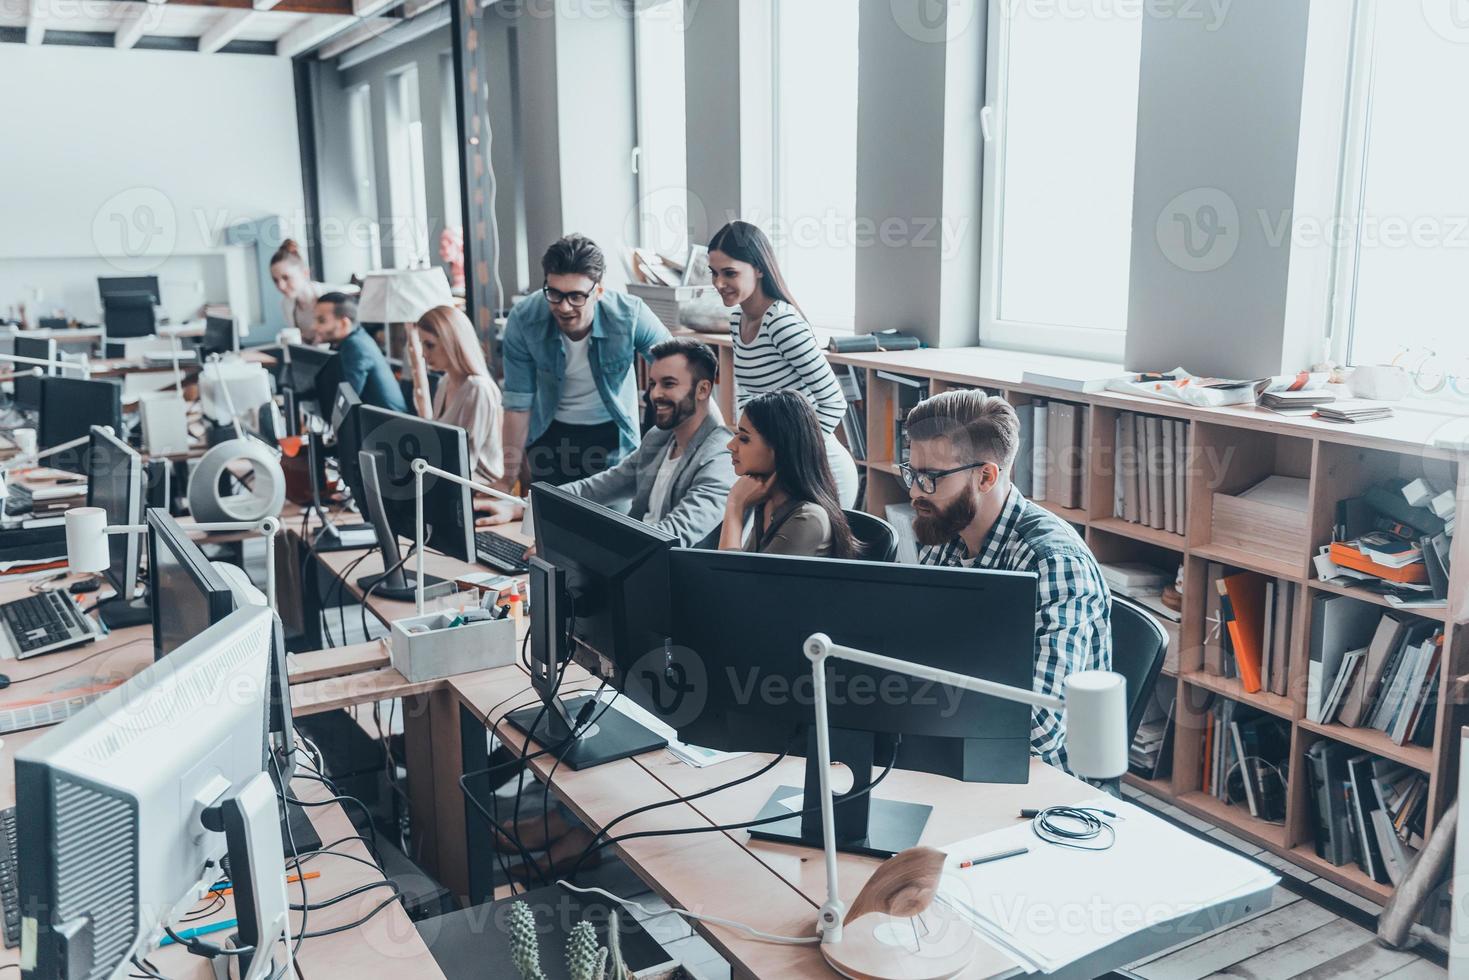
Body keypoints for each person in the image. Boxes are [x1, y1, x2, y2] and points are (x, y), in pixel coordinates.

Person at [902, 389, 1111, 774]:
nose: (916, 492)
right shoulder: (944, 532)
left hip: (1039, 779)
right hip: (952, 743)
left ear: (985, 476)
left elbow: (1041, 727)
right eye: (911, 473)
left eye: (931, 478)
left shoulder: (1053, 563)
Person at [707, 221, 859, 508]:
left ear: (760, 269)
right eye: (713, 273)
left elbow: (834, 402)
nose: (718, 283)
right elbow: (748, 399)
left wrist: (790, 458)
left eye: (729, 273)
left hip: (820, 470)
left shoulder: (781, 323)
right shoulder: (738, 320)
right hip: (776, 468)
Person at [500, 234, 671, 489]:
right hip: (549, 434)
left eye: (576, 296)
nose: (565, 307)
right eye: (554, 294)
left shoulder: (630, 315)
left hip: (611, 435)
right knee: (548, 521)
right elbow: (517, 405)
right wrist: (507, 478)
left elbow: (679, 368)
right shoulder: (524, 319)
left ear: (598, 291)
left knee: (606, 523)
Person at [559, 338, 734, 547]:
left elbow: (671, 535)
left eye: (668, 384)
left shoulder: (721, 458)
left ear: (703, 390)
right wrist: (527, 506)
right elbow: (597, 488)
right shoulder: (659, 437)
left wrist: (579, 543)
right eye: (653, 384)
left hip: (673, 573)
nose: (654, 394)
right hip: (636, 564)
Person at [719, 389, 855, 558]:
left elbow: (734, 582)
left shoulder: (808, 519)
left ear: (780, 449)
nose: (731, 445)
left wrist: (734, 506)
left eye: (744, 438)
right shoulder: (767, 501)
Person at [406, 305, 504, 485]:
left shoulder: (478, 389)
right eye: (422, 345)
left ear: (452, 342)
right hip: (451, 481)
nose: (423, 354)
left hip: (481, 490)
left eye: (430, 345)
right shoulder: (445, 382)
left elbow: (466, 461)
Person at [312, 292, 407, 413]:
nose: (314, 327)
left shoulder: (355, 346)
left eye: (321, 321)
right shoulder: (347, 342)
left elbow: (344, 403)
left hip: (389, 427)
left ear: (344, 323)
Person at [269, 239, 328, 342]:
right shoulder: (286, 304)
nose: (281, 286)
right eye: (276, 280)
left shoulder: (329, 297)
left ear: (305, 273)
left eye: (286, 278)